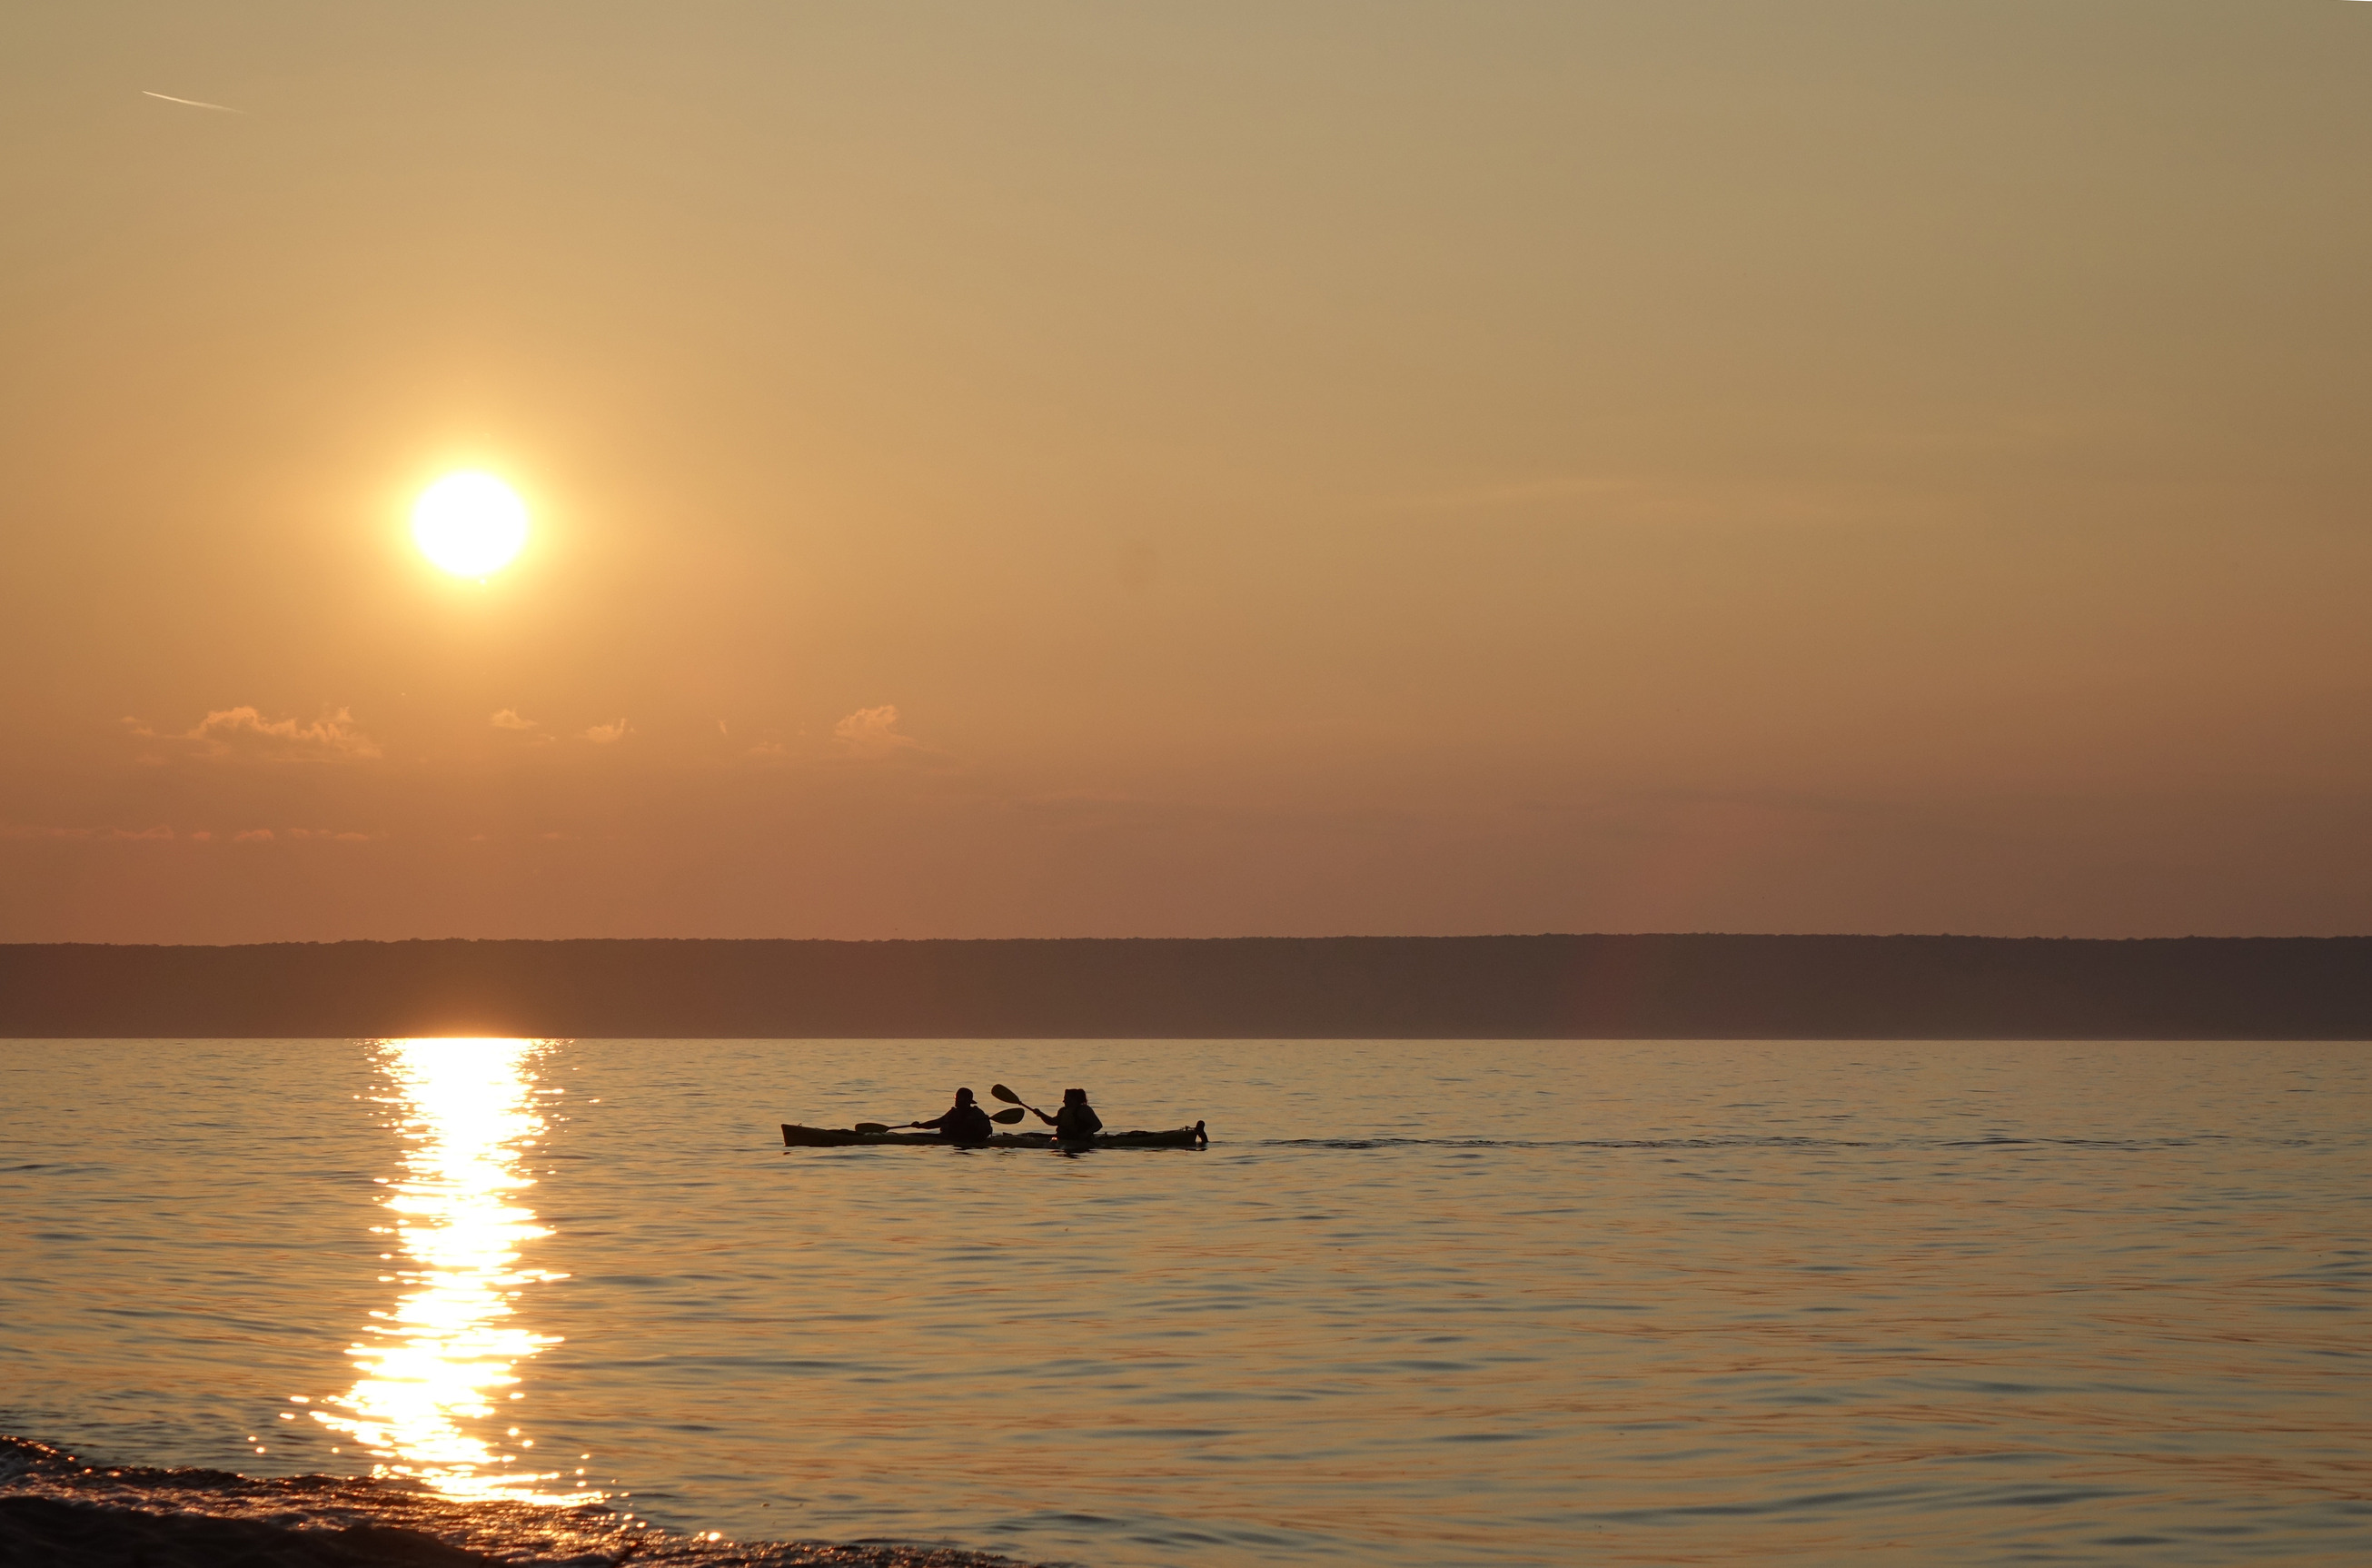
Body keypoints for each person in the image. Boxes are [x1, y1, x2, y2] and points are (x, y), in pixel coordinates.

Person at [913, 1087, 994, 1144]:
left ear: (967, 1101)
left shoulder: (977, 1114)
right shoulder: (953, 1113)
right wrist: (920, 1125)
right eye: (956, 1097)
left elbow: (987, 1131)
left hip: (970, 1141)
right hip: (948, 1138)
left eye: (960, 1098)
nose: (956, 1101)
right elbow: (938, 1122)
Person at [1032, 1087, 1103, 1145]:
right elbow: (1052, 1122)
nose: (1063, 1101)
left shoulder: (1084, 1110)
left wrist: (1085, 1135)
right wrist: (1040, 1114)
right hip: (1063, 1138)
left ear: (1073, 1100)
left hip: (1078, 1139)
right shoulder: (1063, 1110)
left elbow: (1098, 1125)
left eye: (1066, 1099)